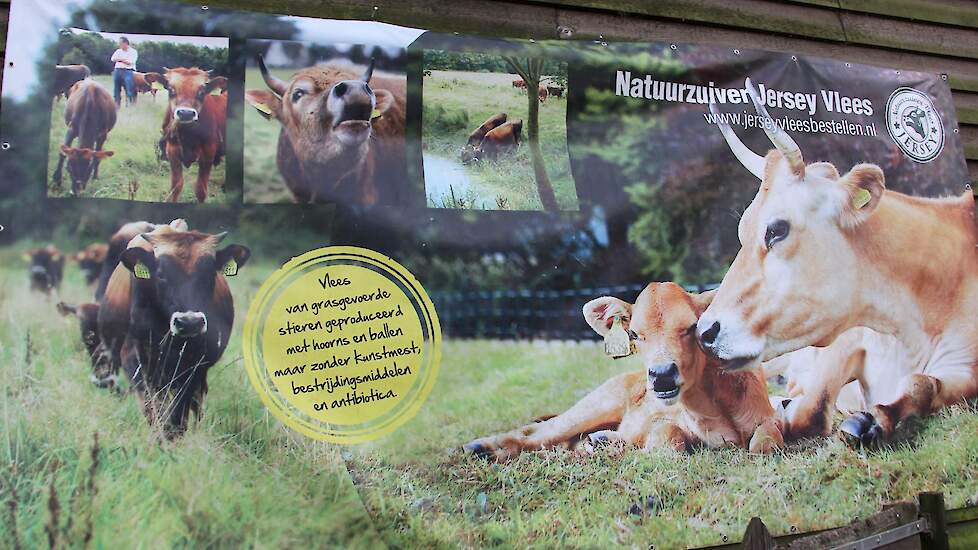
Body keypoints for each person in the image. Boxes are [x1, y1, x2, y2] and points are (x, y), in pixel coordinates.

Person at [110, 37, 138, 108]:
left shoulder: (133, 51)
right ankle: (117, 105)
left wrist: (119, 60)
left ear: (125, 43)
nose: (119, 45)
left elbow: (130, 62)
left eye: (121, 43)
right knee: (116, 88)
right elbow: (113, 59)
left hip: (128, 71)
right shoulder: (118, 51)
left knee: (129, 87)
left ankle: (131, 104)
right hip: (118, 70)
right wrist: (123, 60)